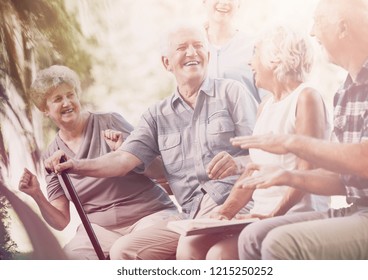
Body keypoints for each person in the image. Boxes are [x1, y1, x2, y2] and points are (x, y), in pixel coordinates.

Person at [45, 24, 258, 259]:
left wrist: (237, 164)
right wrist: (76, 165)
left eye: (198, 46)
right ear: (167, 63)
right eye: (182, 48)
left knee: (203, 252)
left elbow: (260, 155)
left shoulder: (231, 92)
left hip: (235, 203)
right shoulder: (157, 114)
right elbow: (122, 159)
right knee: (124, 251)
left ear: (207, 56)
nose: (191, 52)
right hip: (190, 217)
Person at [231, 0, 368, 259]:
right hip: (359, 208)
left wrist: (291, 143)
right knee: (253, 236)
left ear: (342, 28)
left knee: (279, 244)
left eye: (317, 21)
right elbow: (342, 180)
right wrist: (287, 176)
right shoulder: (346, 90)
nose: (313, 32)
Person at [175, 23, 330, 260]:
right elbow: (251, 172)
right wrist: (224, 214)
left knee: (220, 256)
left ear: (275, 58)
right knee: (190, 245)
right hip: (263, 215)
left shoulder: (306, 97)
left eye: (255, 52)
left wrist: (271, 216)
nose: (250, 63)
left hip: (297, 214)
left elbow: (304, 171)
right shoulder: (265, 106)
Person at [18, 65, 178, 259]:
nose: (67, 102)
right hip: (101, 232)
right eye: (58, 99)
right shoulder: (51, 155)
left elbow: (160, 171)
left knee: (124, 251)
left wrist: (124, 150)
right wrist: (36, 194)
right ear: (45, 109)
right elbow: (61, 221)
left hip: (148, 217)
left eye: (70, 95)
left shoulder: (109, 122)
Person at [203, 0, 262, 103]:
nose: (224, 2)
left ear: (239, 3)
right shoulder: (191, 47)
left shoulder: (254, 46)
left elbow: (268, 98)